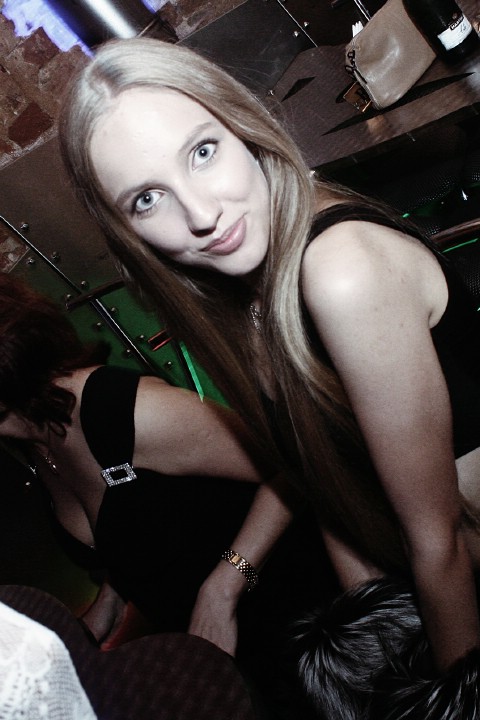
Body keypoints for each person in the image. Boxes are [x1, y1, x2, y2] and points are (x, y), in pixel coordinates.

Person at [57, 36, 480, 711]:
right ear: (126, 230)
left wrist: (451, 700)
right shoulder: (246, 298)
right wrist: (368, 658)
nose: (202, 215)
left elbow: (441, 538)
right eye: (148, 199)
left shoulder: (340, 270)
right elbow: (329, 488)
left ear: (242, 125)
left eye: (203, 152)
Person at [0, 272, 327, 718]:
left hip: (304, 630)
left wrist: (226, 585)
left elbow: (297, 463)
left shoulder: (126, 410)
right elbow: (140, 521)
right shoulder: (29, 442)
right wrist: (110, 602)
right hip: (223, 665)